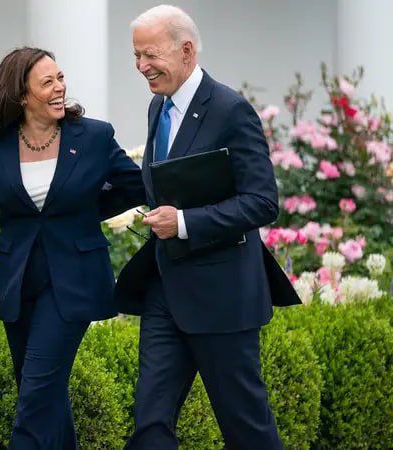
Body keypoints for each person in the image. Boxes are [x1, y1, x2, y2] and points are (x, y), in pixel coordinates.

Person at [0, 47, 145, 449]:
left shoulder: (94, 136)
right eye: (47, 82)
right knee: (44, 394)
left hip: (74, 282)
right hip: (17, 283)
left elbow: (137, 186)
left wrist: (87, 211)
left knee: (35, 394)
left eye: (60, 78)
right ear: (21, 95)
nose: (60, 87)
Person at [115, 5, 300, 449]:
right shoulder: (158, 106)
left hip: (223, 297)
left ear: (186, 50)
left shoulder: (231, 110)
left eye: (151, 55)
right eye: (136, 55)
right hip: (165, 291)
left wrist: (183, 222)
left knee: (247, 431)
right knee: (150, 425)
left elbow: (262, 201)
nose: (141, 66)